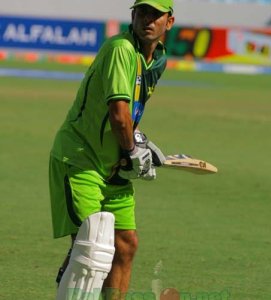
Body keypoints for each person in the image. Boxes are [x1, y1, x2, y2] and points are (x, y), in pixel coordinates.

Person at [48, 0, 175, 299]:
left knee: (125, 244)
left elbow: (131, 113)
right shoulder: (121, 49)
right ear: (132, 15)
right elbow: (118, 113)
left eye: (156, 15)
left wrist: (139, 141)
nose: (148, 20)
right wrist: (133, 150)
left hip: (112, 163)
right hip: (80, 158)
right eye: (142, 12)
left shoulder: (157, 59)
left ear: (168, 22)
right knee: (91, 246)